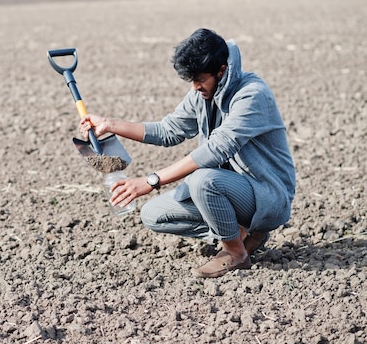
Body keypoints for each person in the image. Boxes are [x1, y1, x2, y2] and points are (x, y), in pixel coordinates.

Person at [79, 28, 296, 278]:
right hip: (230, 189)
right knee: (154, 215)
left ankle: (235, 252)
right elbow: (168, 130)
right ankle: (244, 232)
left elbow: (216, 150)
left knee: (202, 180)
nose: (194, 87)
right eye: (191, 80)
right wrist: (109, 124)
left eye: (200, 79)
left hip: (267, 194)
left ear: (222, 70)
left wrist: (151, 181)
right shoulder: (202, 91)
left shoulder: (252, 95)